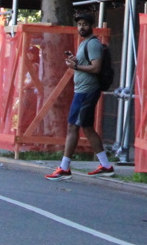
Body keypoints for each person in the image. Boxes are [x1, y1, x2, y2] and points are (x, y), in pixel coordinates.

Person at [45, 12, 115, 179]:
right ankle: (105, 165)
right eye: (79, 24)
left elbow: (96, 67)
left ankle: (64, 167)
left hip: (86, 91)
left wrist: (76, 67)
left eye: (85, 24)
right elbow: (87, 64)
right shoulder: (85, 43)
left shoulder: (93, 44)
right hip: (82, 91)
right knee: (87, 127)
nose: (81, 27)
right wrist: (76, 61)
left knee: (73, 127)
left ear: (92, 26)